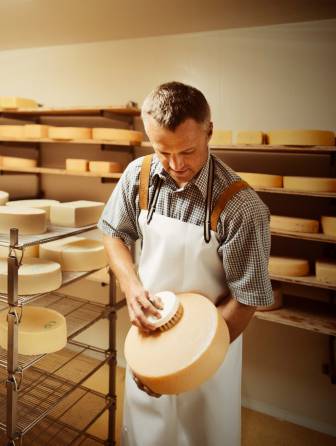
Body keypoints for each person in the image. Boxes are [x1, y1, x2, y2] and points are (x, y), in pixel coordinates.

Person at [98, 81, 273, 446]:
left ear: (209, 130)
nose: (177, 165)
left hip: (211, 347)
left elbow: (248, 298)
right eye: (163, 151)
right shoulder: (138, 176)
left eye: (188, 151)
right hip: (151, 334)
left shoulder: (243, 207)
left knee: (202, 434)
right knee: (145, 432)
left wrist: (182, 365)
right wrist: (131, 287)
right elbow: (113, 232)